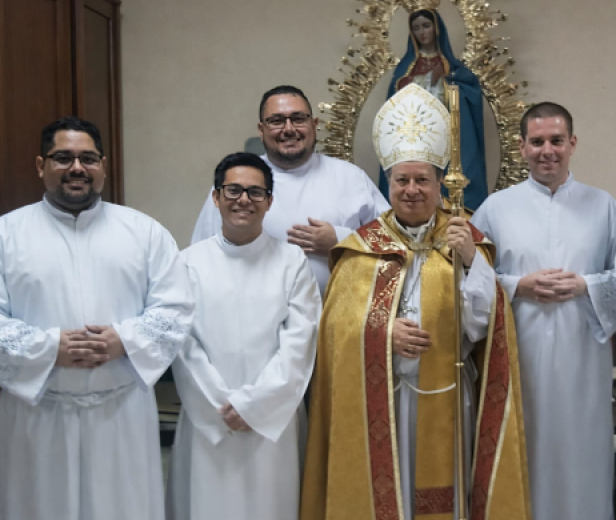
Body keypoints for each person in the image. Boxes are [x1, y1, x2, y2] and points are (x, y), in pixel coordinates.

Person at [300, 83, 530, 520]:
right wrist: (382, 332)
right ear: (388, 182)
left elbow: (485, 326)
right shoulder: (360, 249)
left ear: (440, 183)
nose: (411, 189)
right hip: (380, 404)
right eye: (401, 180)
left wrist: (468, 262)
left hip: (447, 401)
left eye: (422, 180)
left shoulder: (465, 243)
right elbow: (333, 330)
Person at [0, 117, 193, 520]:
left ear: (103, 166)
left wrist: (122, 339)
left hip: (119, 413)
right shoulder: (7, 235)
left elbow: (175, 310)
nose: (76, 168)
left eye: (88, 158)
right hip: (37, 415)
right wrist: (50, 348)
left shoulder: (144, 233)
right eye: (63, 158)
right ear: (41, 165)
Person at [472, 102, 616, 520]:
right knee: (525, 449)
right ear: (521, 147)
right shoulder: (494, 209)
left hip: (583, 361)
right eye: (537, 142)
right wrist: (517, 285)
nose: (547, 150)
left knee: (580, 452)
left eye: (556, 141)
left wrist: (585, 285)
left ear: (572, 143)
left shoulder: (605, 207)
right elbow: (469, 283)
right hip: (518, 359)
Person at [167, 152, 320, 520]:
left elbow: (300, 342)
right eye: (233, 190)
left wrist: (255, 406)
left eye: (255, 192)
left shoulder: (292, 261)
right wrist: (222, 405)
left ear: (269, 201)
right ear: (216, 197)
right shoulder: (187, 263)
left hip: (273, 420)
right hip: (209, 416)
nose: (244, 200)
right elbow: (182, 343)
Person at [192, 85, 389, 293]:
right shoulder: (236, 183)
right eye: (276, 121)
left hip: (339, 319)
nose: (288, 129)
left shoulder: (351, 177)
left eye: (298, 119)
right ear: (261, 130)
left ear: (314, 125)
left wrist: (341, 241)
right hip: (252, 316)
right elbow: (202, 256)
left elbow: (393, 242)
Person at [380, 8, 488, 211]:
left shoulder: (455, 70)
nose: (422, 32)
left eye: (426, 26)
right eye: (416, 27)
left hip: (450, 138)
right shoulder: (405, 70)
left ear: (437, 29)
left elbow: (469, 94)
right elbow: (395, 107)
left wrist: (447, 83)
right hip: (416, 140)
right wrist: (420, 82)